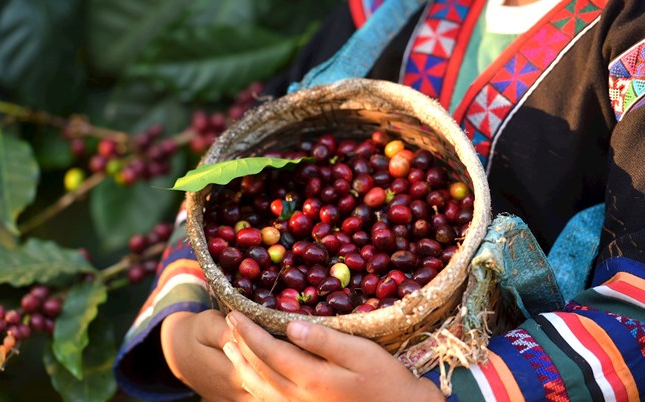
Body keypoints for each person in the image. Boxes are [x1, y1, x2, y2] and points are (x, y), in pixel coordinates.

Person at [114, 0, 644, 400]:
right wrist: (180, 333)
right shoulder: (381, 8)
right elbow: (243, 166)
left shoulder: (631, 37)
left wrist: (436, 396)